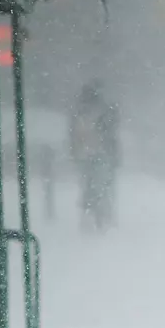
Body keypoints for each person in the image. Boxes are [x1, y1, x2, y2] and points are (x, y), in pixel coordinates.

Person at [69, 81, 121, 231]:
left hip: (91, 155)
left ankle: (95, 215)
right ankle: (99, 215)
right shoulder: (103, 112)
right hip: (96, 155)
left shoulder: (83, 113)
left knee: (93, 186)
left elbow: (75, 135)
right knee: (99, 186)